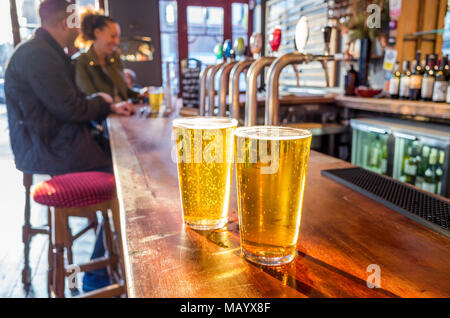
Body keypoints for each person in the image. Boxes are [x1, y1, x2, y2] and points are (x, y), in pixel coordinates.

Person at [4, 0, 134, 292]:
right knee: (128, 181)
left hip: (50, 141)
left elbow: (68, 106)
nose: (80, 28)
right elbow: (71, 109)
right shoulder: (40, 56)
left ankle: (105, 261)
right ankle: (99, 275)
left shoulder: (45, 52)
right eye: (76, 21)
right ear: (66, 22)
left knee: (122, 161)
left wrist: (101, 103)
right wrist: (103, 102)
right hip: (47, 148)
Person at [74, 13, 140, 103]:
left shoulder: (114, 57)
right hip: (103, 116)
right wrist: (114, 108)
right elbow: (90, 100)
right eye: (113, 36)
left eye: (118, 37)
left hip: (123, 114)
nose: (117, 42)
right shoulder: (80, 62)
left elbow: (124, 91)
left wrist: (140, 94)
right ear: (97, 33)